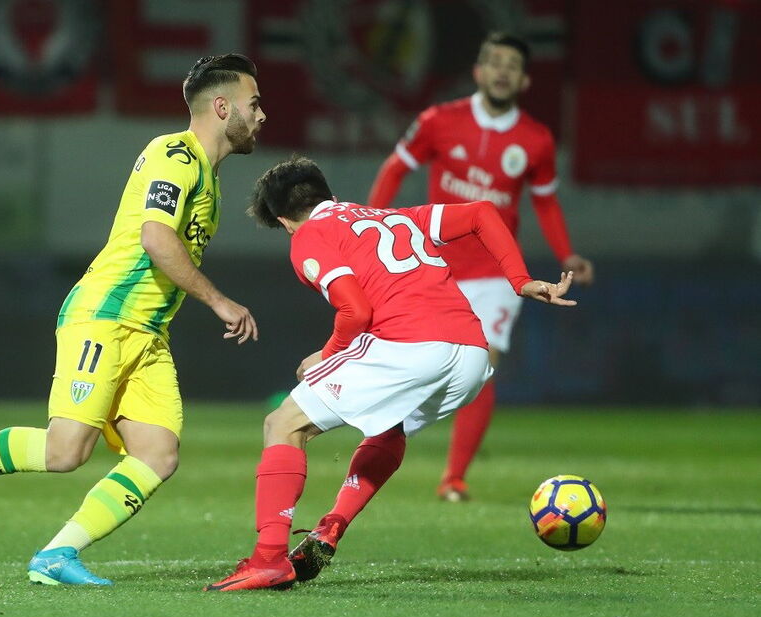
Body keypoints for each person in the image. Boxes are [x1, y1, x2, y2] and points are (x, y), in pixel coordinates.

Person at [0, 53, 267, 586]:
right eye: (254, 103)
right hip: (105, 316)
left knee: (157, 454)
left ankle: (57, 555)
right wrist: (219, 301)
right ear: (222, 107)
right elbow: (156, 239)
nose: (262, 115)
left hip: (145, 333)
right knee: (65, 452)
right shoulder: (174, 154)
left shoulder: (208, 180)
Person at [205, 155, 574, 592]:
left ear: (285, 220)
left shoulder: (308, 236)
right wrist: (519, 279)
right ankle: (331, 528)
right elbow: (481, 213)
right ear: (330, 195)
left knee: (282, 424)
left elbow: (355, 310)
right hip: (472, 354)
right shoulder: (392, 216)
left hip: (411, 345)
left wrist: (326, 354)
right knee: (389, 428)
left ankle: (268, 559)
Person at [368, 32, 594, 502]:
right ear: (478, 71)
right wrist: (369, 226)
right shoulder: (439, 120)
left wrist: (566, 253)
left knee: (483, 362)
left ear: (525, 79)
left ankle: (453, 477)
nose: (502, 70)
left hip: (495, 271)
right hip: (432, 263)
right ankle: (375, 437)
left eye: (512, 64)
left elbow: (547, 205)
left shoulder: (536, 140)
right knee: (419, 363)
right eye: (494, 62)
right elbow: (395, 168)